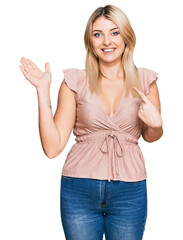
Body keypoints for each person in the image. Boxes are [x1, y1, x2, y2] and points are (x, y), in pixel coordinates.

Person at [19, 4, 163, 240]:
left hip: (130, 191)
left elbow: (150, 135)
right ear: (90, 41)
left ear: (126, 36)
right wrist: (43, 90)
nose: (107, 41)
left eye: (114, 32)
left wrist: (157, 125)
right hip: (78, 189)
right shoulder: (74, 81)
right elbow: (52, 147)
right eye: (98, 34)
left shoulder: (146, 80)